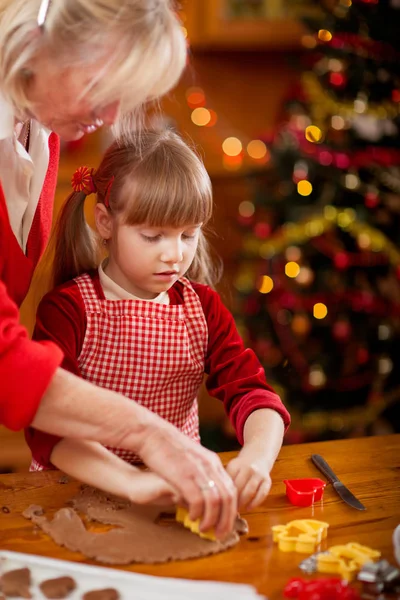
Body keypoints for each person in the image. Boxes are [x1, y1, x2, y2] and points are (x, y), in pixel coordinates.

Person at [0, 0, 238, 539]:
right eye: (104, 85)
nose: (111, 116)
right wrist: (152, 436)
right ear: (41, 40)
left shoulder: (43, 134)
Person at [26, 128, 291, 514]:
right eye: (153, 236)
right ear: (105, 222)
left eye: (189, 235)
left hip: (172, 496)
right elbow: (48, 426)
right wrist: (131, 481)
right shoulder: (69, 309)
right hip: (70, 492)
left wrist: (257, 458)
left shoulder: (202, 309)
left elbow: (252, 394)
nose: (175, 255)